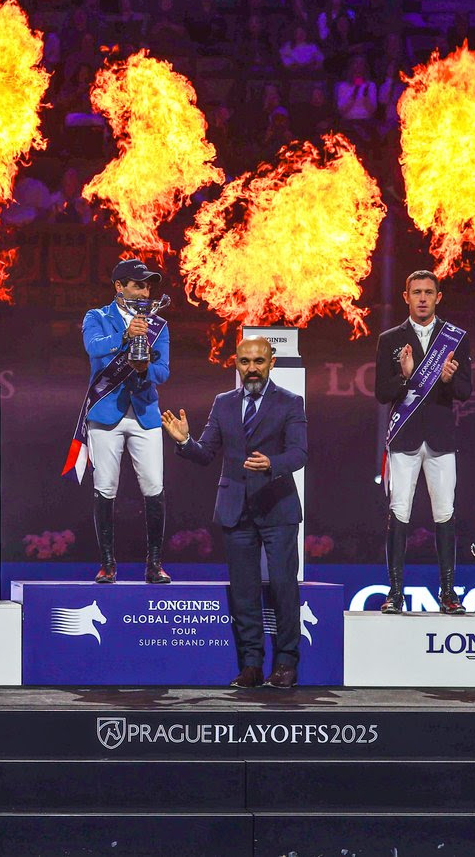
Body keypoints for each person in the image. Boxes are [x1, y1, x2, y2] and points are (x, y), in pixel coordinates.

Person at [161, 335, 307, 688]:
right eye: (245, 362)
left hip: (278, 508)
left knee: (284, 588)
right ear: (236, 364)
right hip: (235, 510)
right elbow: (206, 452)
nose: (252, 368)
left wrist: (273, 463)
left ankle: (286, 663)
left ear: (271, 362)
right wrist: (184, 441)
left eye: (259, 361)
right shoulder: (222, 403)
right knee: (244, 592)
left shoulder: (290, 402)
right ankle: (252, 666)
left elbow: (299, 453)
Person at [374, 270, 472, 615]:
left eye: (428, 292)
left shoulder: (455, 337)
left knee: (445, 513)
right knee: (399, 511)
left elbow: (465, 391)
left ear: (438, 297)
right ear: (406, 297)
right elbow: (381, 393)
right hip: (405, 438)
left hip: (441, 439)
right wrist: (404, 376)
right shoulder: (390, 339)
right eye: (416, 292)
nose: (422, 298)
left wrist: (446, 379)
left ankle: (448, 593)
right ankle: (395, 593)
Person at [79, 258, 171, 585]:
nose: (145, 290)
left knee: (154, 487)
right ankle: (107, 564)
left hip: (145, 413)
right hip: (106, 414)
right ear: (119, 286)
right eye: (138, 284)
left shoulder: (158, 324)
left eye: (148, 285)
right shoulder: (97, 318)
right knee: (105, 487)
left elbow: (164, 371)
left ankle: (155, 564)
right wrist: (124, 336)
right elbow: (93, 348)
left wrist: (146, 369)